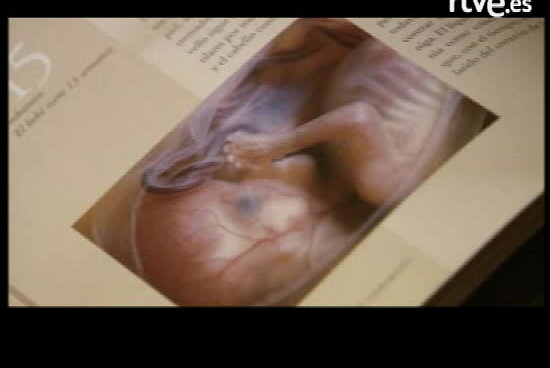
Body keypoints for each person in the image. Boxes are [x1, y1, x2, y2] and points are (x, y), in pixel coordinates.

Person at [125, 19, 489, 306]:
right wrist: (280, 145)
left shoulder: (339, 171)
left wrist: (273, 150)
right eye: (267, 274)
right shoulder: (379, 187)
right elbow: (357, 117)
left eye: (248, 207)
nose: (282, 234)